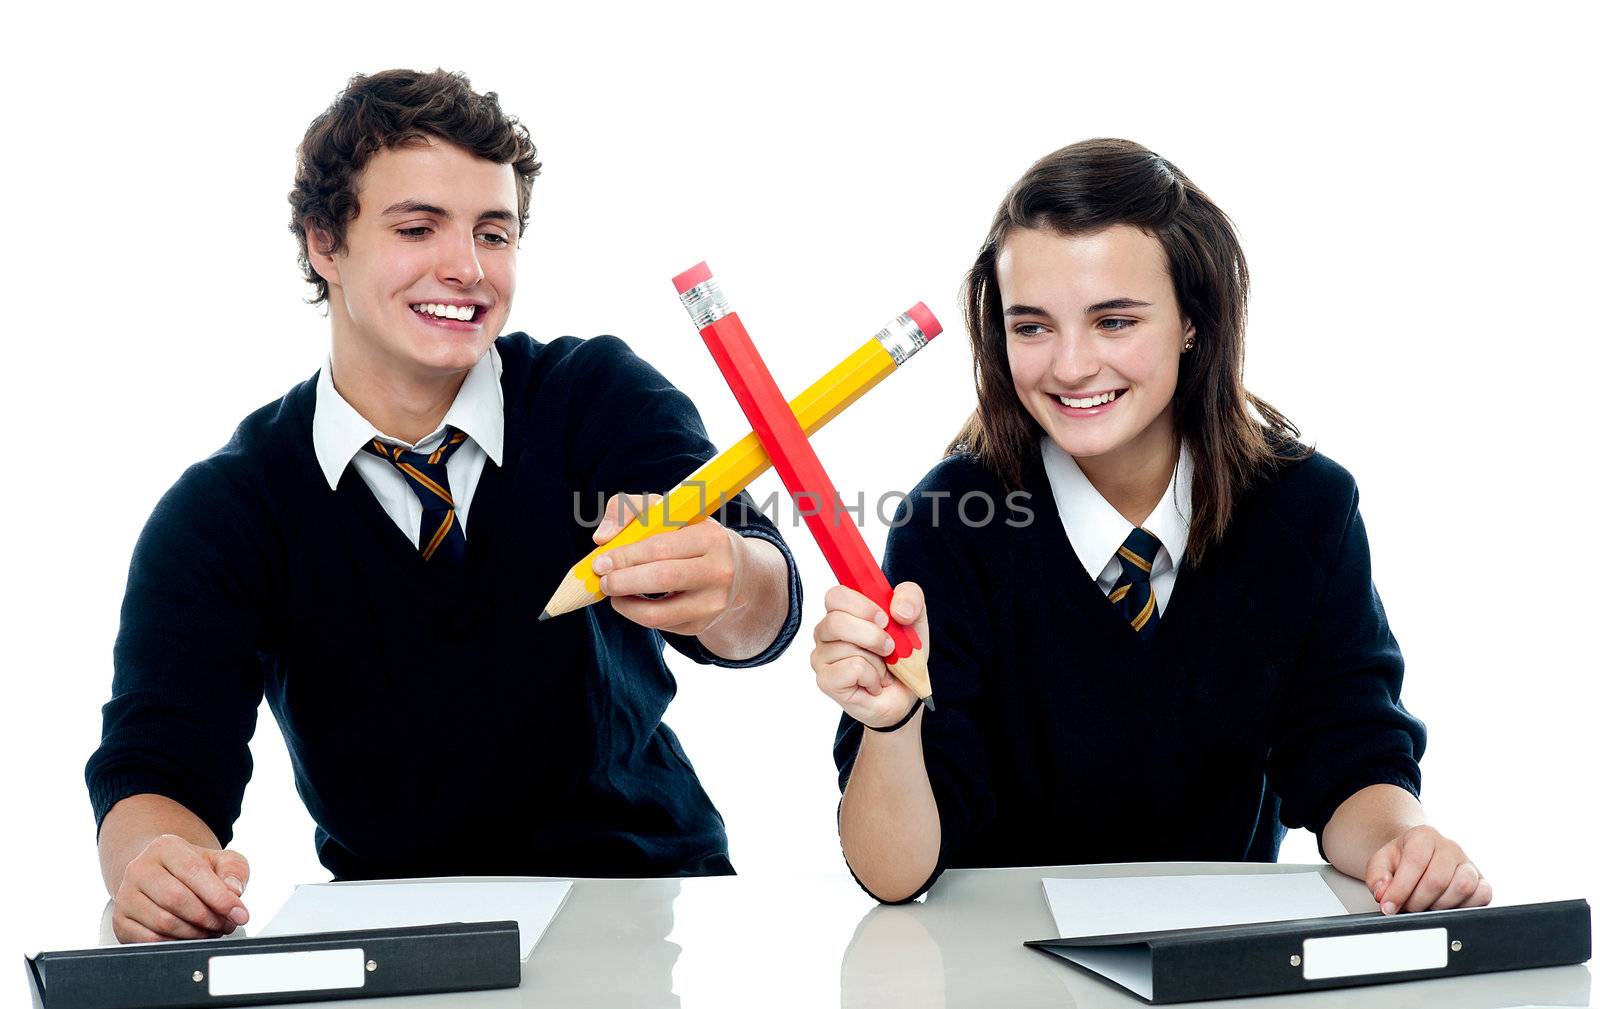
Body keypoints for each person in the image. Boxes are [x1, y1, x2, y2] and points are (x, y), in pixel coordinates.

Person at [86, 69, 801, 944]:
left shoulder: (595, 396)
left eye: (492, 233)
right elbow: (158, 768)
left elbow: (761, 604)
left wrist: (729, 580)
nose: (465, 269)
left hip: (639, 902)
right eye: (417, 227)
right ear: (324, 242)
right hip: (395, 936)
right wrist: (156, 866)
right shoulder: (225, 509)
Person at [811, 139, 1491, 913]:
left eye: (1114, 320)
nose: (1070, 366)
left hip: (1215, 967)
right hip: (996, 968)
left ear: (1193, 321)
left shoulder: (1304, 507)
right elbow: (896, 872)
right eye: (1031, 327)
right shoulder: (951, 522)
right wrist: (892, 718)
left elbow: (1349, 756)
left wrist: (1406, 844)